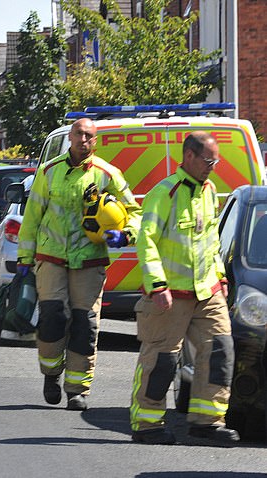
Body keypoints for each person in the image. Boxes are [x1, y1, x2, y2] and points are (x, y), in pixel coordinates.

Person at [16, 118, 141, 411]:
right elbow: (33, 216)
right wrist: (24, 257)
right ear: (69, 138)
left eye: (88, 136)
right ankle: (51, 373)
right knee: (52, 316)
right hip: (52, 257)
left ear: (95, 142)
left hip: (89, 260)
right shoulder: (48, 171)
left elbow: (135, 211)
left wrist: (125, 234)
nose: (83, 140)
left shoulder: (108, 174)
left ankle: (76, 389)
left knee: (85, 324)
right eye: (78, 134)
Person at [130, 131, 239, 445]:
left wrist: (220, 278)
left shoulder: (208, 189)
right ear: (188, 156)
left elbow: (209, 241)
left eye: (216, 160)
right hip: (170, 295)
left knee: (219, 351)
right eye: (208, 160)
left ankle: (208, 422)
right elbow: (146, 240)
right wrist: (157, 284)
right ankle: (146, 424)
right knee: (162, 360)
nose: (213, 166)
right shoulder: (165, 192)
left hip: (207, 292)